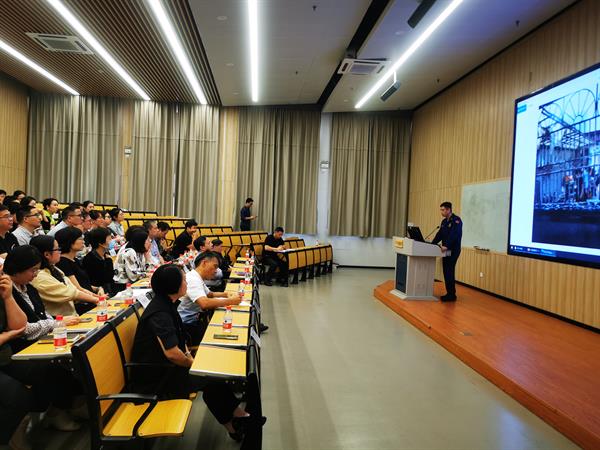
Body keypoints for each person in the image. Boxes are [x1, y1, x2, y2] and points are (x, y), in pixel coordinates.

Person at [130, 264, 265, 441]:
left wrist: (189, 356)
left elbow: (179, 340)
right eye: (183, 280)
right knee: (208, 377)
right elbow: (172, 354)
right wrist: (193, 365)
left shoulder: (167, 303)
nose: (186, 283)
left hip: (167, 367)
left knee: (210, 378)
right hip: (156, 377)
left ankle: (236, 422)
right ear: (174, 286)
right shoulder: (160, 314)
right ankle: (239, 420)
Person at [2, 249, 85, 433]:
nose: (35, 274)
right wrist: (54, 323)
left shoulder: (29, 288)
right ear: (16, 270)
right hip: (18, 350)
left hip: (39, 342)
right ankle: (55, 413)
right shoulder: (7, 293)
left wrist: (55, 322)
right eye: (32, 270)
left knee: (74, 360)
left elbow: (43, 315)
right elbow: (23, 330)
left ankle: (71, 406)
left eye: (37, 270)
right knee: (54, 370)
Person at [177, 252, 242, 345]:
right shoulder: (193, 279)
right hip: (187, 326)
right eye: (215, 266)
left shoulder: (197, 276)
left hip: (196, 320)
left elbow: (210, 294)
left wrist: (227, 294)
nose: (216, 271)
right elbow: (204, 303)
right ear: (204, 263)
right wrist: (231, 301)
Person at [30, 235, 99, 316]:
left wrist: (96, 296)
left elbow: (73, 288)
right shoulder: (39, 277)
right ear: (47, 254)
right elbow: (70, 293)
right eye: (57, 249)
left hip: (73, 317)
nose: (60, 251)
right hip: (60, 321)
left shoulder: (54, 269)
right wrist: (96, 299)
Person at [55, 227, 103, 299]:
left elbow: (85, 285)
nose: (83, 241)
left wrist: (98, 289)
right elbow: (78, 289)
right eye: (80, 239)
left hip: (90, 297)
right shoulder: (63, 262)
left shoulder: (75, 259)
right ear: (70, 242)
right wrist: (98, 298)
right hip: (84, 300)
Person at [431, 201, 463, 302]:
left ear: (449, 210)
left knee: (449, 270)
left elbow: (454, 235)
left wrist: (447, 245)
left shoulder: (456, 220)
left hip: (453, 250)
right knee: (446, 271)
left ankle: (452, 295)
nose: (441, 212)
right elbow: (439, 234)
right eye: (441, 210)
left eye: (443, 210)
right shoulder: (444, 222)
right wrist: (432, 244)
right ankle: (449, 293)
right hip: (445, 251)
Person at [83, 227, 117, 296]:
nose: (112, 241)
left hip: (109, 290)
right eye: (109, 239)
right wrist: (109, 261)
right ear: (101, 243)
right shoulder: (90, 259)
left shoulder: (104, 256)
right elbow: (106, 278)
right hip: (99, 293)